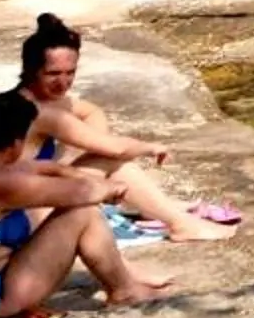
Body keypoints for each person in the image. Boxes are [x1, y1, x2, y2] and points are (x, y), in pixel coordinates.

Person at [0, 88, 172, 318]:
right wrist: (111, 188)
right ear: (17, 142)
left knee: (62, 207)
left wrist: (69, 172)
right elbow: (83, 194)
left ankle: (124, 284)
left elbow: (39, 168)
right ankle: (125, 291)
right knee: (82, 213)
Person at [17, 12, 240, 241]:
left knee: (103, 159)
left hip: (32, 194)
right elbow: (117, 149)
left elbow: (92, 112)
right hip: (25, 212)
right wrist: (150, 147)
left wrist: (67, 158)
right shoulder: (39, 112)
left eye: (70, 73)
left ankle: (163, 210)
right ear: (32, 70)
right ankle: (180, 224)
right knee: (114, 162)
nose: (63, 82)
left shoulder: (35, 99)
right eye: (53, 73)